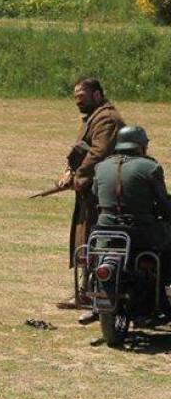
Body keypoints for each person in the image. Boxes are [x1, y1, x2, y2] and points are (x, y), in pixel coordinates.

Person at [55, 78, 124, 309]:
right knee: (85, 238)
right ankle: (85, 291)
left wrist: (78, 177)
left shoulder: (107, 118)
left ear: (97, 95)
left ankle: (97, 293)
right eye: (75, 98)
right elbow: (79, 149)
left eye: (81, 97)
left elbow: (98, 153)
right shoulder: (94, 117)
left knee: (97, 239)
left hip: (101, 190)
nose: (78, 102)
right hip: (90, 188)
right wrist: (69, 169)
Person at [92, 126, 171, 255]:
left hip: (104, 230)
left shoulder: (101, 166)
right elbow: (162, 202)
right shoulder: (150, 167)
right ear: (141, 146)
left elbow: (95, 193)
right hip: (140, 232)